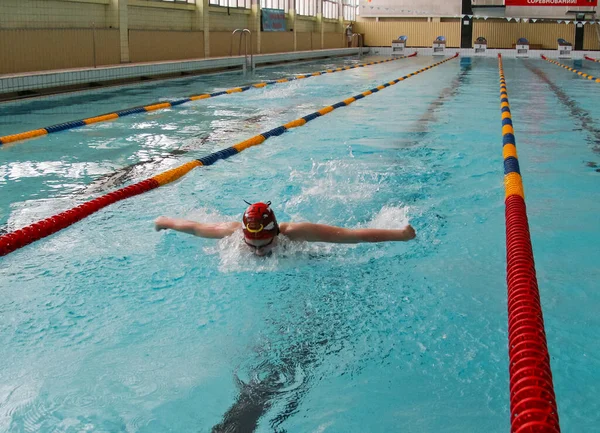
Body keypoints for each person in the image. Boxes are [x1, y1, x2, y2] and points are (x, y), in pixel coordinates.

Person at [155, 201, 416, 256]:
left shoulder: (296, 232)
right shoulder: (233, 232)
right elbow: (195, 228)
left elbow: (351, 236)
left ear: (276, 234)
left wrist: (400, 235)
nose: (258, 253)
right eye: (252, 246)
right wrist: (164, 222)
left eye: (265, 246)